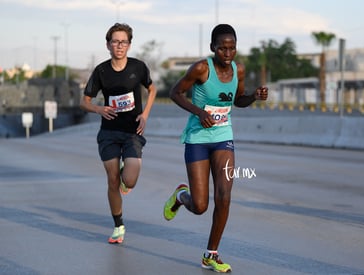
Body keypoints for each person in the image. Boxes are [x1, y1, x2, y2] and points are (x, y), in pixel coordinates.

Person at [163, 24, 268, 273]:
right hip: (198, 138)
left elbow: (238, 100)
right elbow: (175, 93)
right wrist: (199, 112)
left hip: (223, 137)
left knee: (224, 195)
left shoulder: (238, 70)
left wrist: (254, 96)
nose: (228, 53)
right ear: (213, 48)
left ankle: (211, 254)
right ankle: (180, 196)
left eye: (232, 48)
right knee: (200, 206)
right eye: (222, 48)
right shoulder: (201, 68)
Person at [80, 23, 157, 244]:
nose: (119, 45)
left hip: (133, 131)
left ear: (129, 45)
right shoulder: (101, 71)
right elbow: (84, 102)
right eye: (115, 41)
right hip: (109, 133)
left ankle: (126, 177)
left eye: (123, 41)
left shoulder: (138, 67)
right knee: (112, 180)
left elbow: (152, 89)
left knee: (129, 180)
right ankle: (118, 225)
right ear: (108, 44)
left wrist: (145, 115)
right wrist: (99, 108)